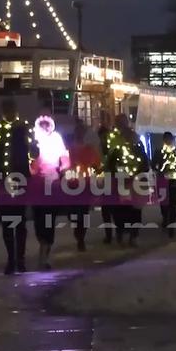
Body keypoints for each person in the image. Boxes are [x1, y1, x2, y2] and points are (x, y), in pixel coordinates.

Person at [0, 98, 37, 274]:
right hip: (3, 180)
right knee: (7, 221)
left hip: (19, 179)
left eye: (10, 109)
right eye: (6, 109)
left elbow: (35, 153)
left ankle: (19, 259)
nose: (9, 112)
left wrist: (32, 147)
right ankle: (12, 259)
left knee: (18, 221)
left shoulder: (24, 128)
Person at [30, 114, 69, 269]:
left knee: (48, 218)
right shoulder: (34, 140)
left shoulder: (56, 139)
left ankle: (45, 249)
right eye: (42, 125)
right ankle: (43, 244)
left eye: (47, 125)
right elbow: (30, 160)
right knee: (39, 218)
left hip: (52, 183)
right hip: (37, 185)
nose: (45, 128)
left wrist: (63, 168)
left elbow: (64, 157)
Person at [102, 113, 148, 247]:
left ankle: (131, 235)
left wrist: (135, 173)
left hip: (133, 179)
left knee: (133, 209)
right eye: (119, 123)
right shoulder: (113, 139)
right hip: (120, 179)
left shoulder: (135, 139)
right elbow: (109, 159)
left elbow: (143, 160)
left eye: (121, 123)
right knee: (121, 209)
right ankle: (123, 233)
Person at [66, 121, 101, 251]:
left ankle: (80, 237)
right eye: (78, 131)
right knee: (74, 211)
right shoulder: (69, 148)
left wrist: (95, 171)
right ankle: (78, 231)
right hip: (72, 183)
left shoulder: (89, 149)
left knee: (83, 212)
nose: (80, 133)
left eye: (82, 131)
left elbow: (97, 164)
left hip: (85, 184)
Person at [152, 131, 176, 238]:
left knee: (168, 203)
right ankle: (168, 221)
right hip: (169, 180)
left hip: (169, 180)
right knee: (169, 204)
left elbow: (153, 165)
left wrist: (160, 169)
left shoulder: (162, 153)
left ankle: (169, 222)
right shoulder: (173, 153)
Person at [97, 125, 115, 244]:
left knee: (113, 210)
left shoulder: (112, 148)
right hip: (104, 182)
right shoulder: (99, 148)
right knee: (106, 211)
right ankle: (109, 234)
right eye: (101, 137)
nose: (103, 139)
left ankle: (116, 233)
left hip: (113, 180)